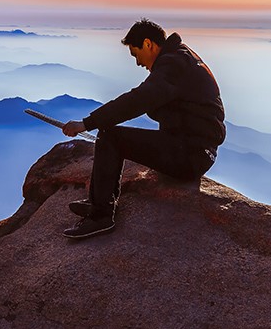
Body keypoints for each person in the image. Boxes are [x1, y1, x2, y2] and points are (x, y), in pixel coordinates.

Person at [61, 18, 225, 239]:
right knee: (112, 135)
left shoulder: (173, 65)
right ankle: (98, 201)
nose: (138, 63)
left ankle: (101, 216)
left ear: (148, 44)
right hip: (194, 150)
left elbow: (138, 100)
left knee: (110, 136)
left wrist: (87, 123)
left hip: (190, 156)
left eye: (135, 53)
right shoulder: (182, 57)